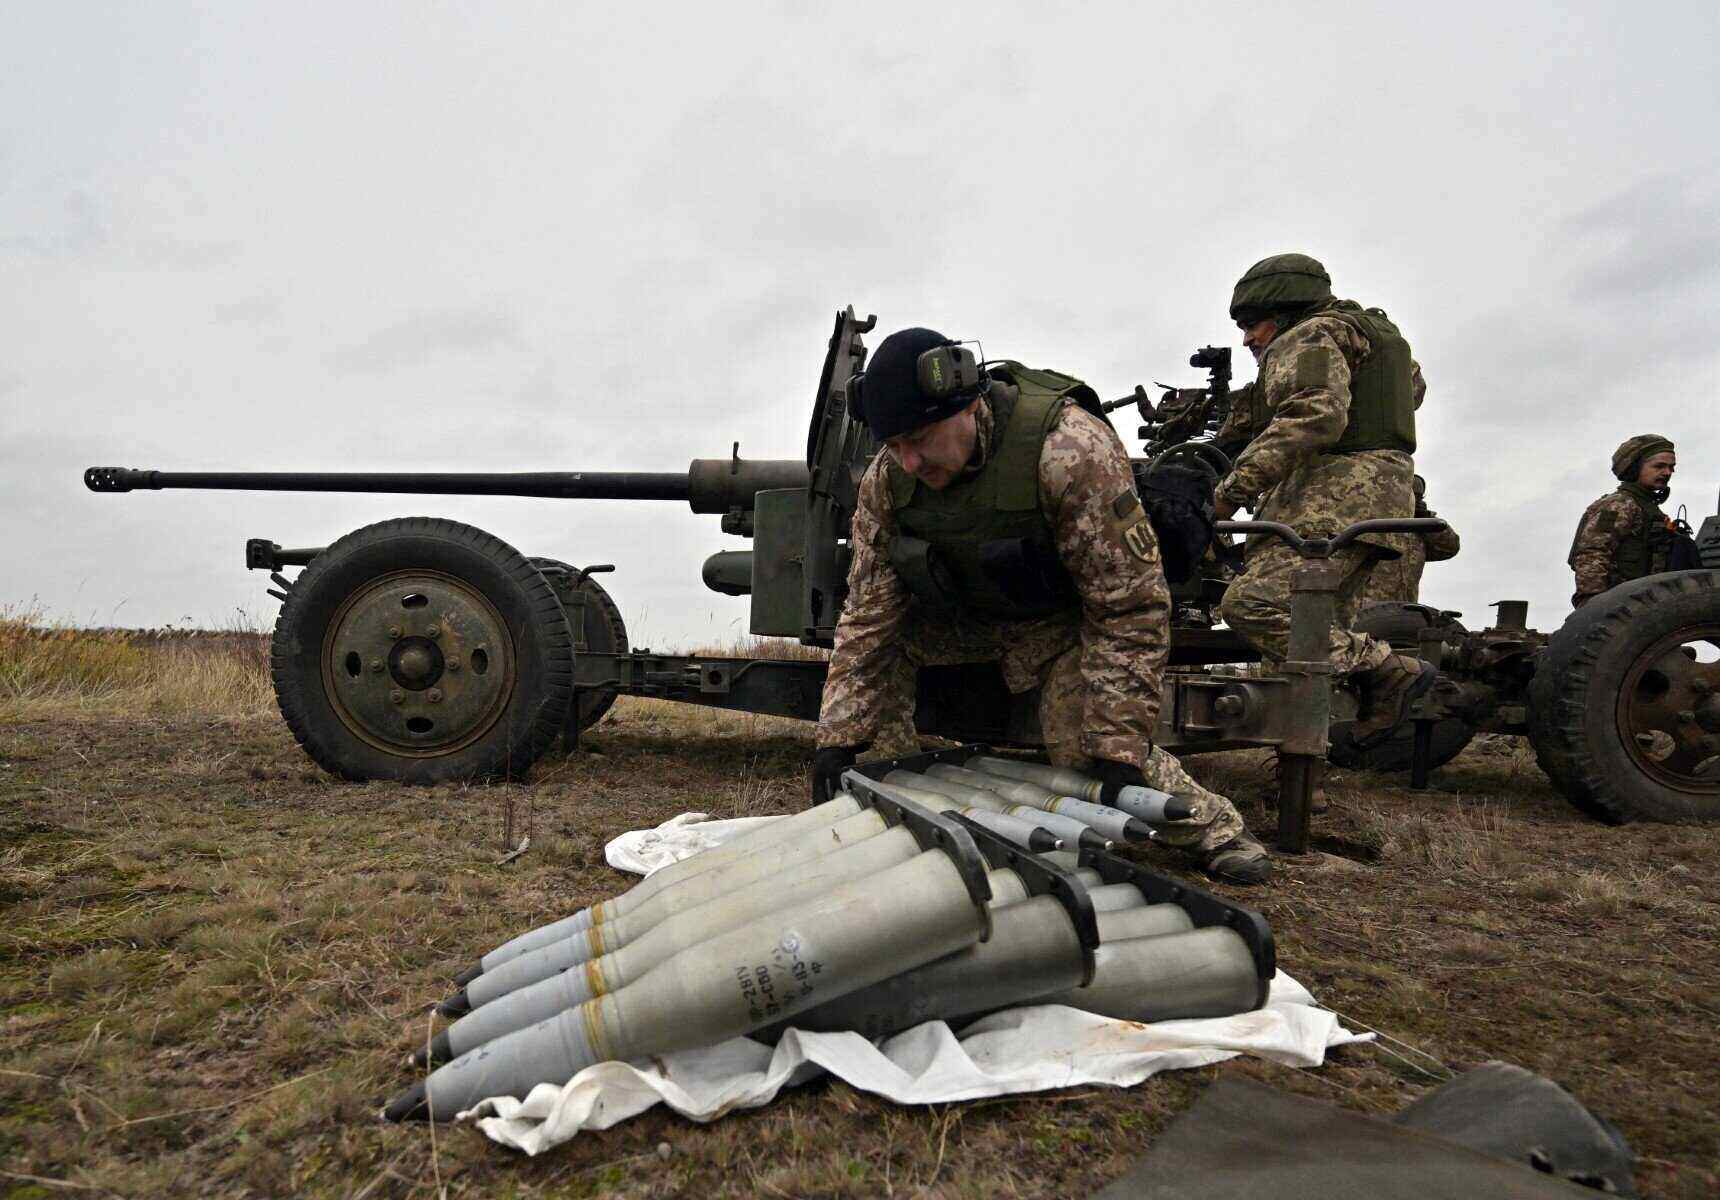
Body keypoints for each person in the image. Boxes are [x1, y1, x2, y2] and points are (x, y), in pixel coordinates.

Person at [810, 326, 1271, 883]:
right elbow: (868, 615)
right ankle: (902, 812)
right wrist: (837, 741)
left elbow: (1129, 606)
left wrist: (1118, 744)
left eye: (920, 438)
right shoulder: (889, 480)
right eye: (894, 444)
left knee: (1089, 755)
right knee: (879, 677)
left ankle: (1215, 829)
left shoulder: (1068, 451)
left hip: (1061, 629)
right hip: (970, 622)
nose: (908, 461)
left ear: (967, 406)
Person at [1211, 253, 1437, 749]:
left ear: (1286, 310)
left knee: (1249, 604)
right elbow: (1410, 393)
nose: (1247, 339)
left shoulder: (1309, 335)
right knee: (1309, 642)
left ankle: (1385, 671)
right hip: (1381, 502)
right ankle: (1298, 776)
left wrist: (1229, 493)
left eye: (1252, 325)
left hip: (1329, 501)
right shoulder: (1378, 340)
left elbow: (1315, 416)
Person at [1568, 435, 1680, 608]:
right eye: (1659, 466)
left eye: (1671, 467)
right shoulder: (1619, 504)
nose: (1667, 473)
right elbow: (1592, 554)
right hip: (1618, 605)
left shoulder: (1648, 508)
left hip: (1643, 603)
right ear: (1634, 468)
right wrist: (1594, 604)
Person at [1359, 475, 1462, 605]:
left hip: (1401, 611)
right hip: (1361, 610)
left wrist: (1425, 518)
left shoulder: (1419, 531)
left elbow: (1449, 548)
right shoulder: (1369, 519)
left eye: (1419, 497)